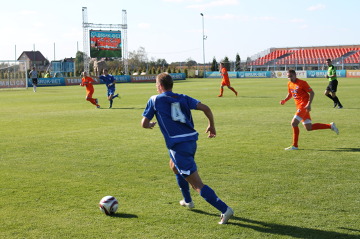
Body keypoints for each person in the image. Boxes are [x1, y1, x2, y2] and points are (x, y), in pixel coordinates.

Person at [141, 72, 234, 224]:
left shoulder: (154, 99)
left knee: (196, 183)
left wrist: (150, 124)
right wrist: (211, 125)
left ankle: (225, 209)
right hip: (191, 141)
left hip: (178, 146)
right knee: (174, 166)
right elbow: (206, 108)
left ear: (159, 86)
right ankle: (187, 200)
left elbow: (144, 123)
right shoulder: (183, 97)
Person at [280, 69, 339, 150]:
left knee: (294, 123)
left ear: (295, 75)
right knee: (309, 127)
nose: (290, 78)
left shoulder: (302, 83)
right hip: (299, 106)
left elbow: (312, 93)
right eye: (288, 77)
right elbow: (290, 93)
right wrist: (285, 100)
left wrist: (308, 104)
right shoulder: (289, 83)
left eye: (291, 76)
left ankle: (295, 145)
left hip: (303, 106)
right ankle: (330, 126)